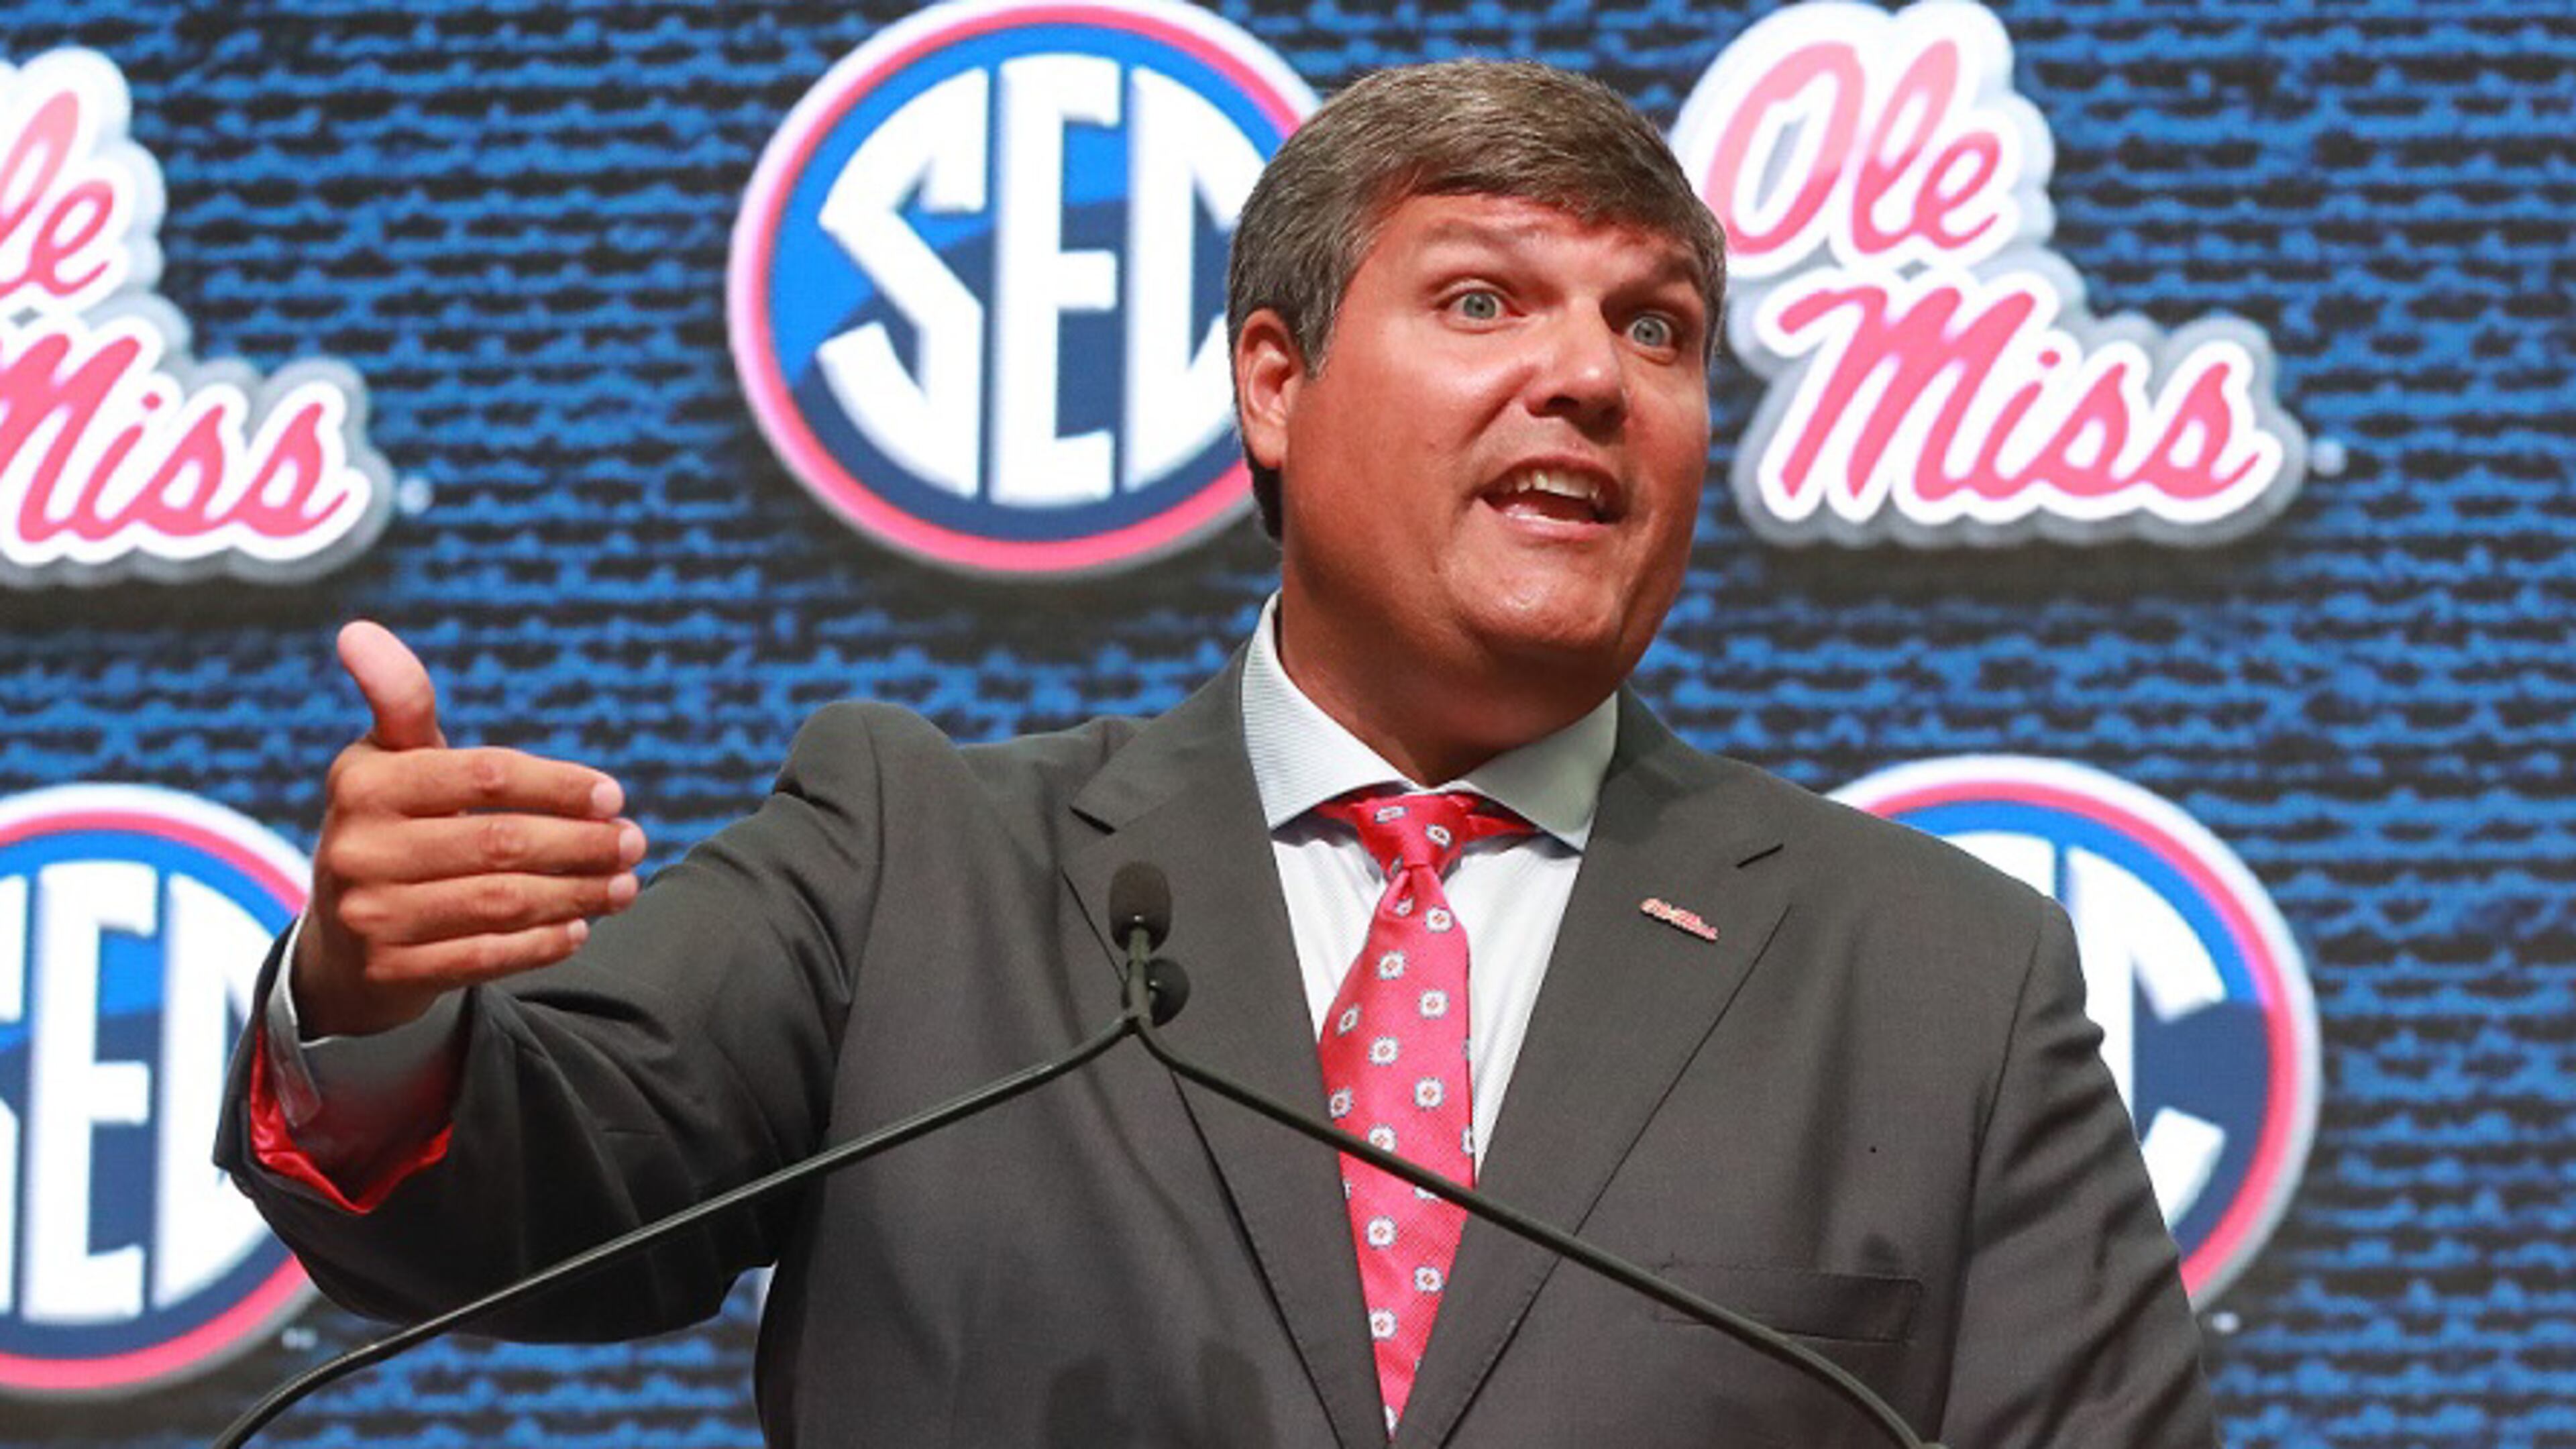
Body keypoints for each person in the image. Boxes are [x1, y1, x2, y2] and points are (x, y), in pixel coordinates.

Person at [219, 60, 2219, 1448]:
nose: (1592, 378)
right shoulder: (913, 862)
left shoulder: (1941, 977)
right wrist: (378, 1012)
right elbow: (508, 1207)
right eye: (1482, 297)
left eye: (1661, 330)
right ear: (1275, 381)